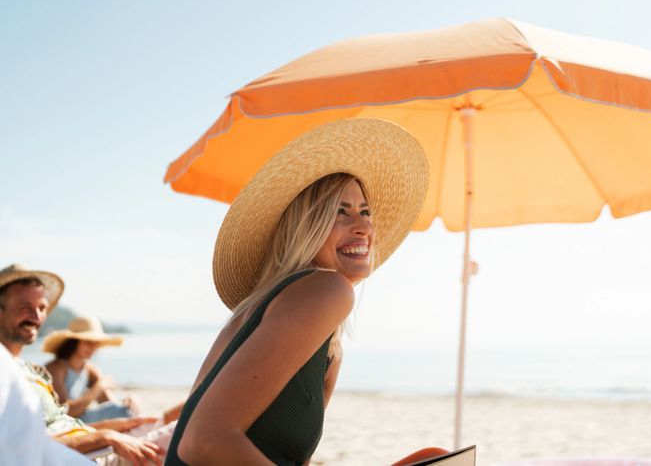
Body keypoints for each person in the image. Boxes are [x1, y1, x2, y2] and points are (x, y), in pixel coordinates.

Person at [165, 118, 440, 466]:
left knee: (435, 457)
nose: (364, 227)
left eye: (365, 211)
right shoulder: (327, 291)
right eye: (339, 212)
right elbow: (202, 443)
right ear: (305, 227)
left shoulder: (300, 325)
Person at [0, 263, 166, 465]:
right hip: (88, 452)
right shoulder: (31, 371)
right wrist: (105, 436)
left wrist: (118, 426)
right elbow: (21, 447)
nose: (36, 317)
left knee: (178, 422)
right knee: (184, 438)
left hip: (92, 445)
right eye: (25, 308)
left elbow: (64, 423)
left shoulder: (34, 372)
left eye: (42, 308)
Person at [43, 316, 140, 422]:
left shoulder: (89, 369)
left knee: (127, 410)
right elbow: (65, 411)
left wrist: (130, 400)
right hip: (64, 424)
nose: (93, 346)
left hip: (81, 421)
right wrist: (99, 386)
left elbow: (109, 403)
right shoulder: (55, 369)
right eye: (88, 341)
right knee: (125, 413)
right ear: (74, 342)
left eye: (96, 342)